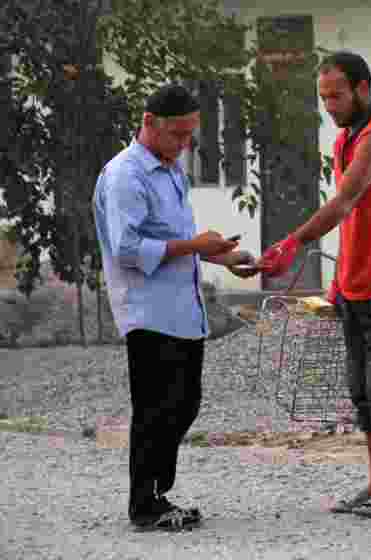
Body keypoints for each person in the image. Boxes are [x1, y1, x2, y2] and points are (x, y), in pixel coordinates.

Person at [259, 50, 371, 520]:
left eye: (336, 96)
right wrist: (338, 283)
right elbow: (355, 225)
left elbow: (345, 203)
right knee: (362, 390)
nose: (329, 106)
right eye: (323, 98)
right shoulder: (344, 140)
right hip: (354, 285)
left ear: (362, 89)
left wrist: (293, 242)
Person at [93, 84, 259, 531]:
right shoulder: (126, 175)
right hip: (147, 310)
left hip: (182, 309)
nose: (184, 144)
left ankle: (158, 493)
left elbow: (175, 242)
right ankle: (144, 503)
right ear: (148, 123)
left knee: (184, 404)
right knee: (155, 408)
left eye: (190, 135)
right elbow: (128, 248)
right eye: (177, 134)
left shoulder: (171, 171)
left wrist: (221, 257)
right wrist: (196, 245)